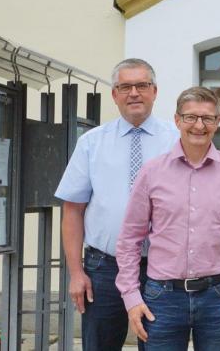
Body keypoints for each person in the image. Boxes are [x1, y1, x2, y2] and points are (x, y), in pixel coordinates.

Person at [115, 86, 220, 351]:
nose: (199, 125)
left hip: (219, 295)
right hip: (162, 298)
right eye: (190, 117)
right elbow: (130, 240)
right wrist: (131, 296)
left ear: (217, 122)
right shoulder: (152, 172)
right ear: (177, 120)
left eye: (207, 118)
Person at [55, 58, 179, 351]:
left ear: (155, 91)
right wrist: (76, 273)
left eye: (141, 85)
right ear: (114, 94)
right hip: (104, 268)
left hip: (160, 269)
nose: (133, 93)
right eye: (125, 87)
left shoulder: (177, 142)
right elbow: (73, 210)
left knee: (159, 345)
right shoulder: (91, 143)